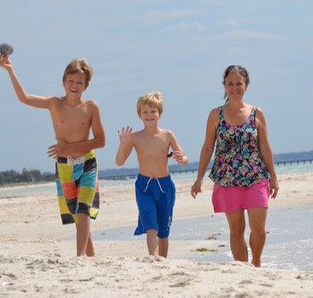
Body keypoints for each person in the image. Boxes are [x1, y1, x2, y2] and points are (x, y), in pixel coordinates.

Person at [0, 55, 105, 257]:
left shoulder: (91, 107)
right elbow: (24, 97)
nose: (74, 85)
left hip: (88, 163)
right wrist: (10, 70)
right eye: (71, 81)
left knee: (83, 211)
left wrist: (68, 147)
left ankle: (79, 258)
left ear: (86, 86)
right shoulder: (54, 103)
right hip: (64, 166)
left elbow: (100, 141)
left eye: (79, 83)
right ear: (63, 82)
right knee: (77, 216)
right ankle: (91, 258)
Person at [191, 65, 279, 267]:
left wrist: (273, 176)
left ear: (246, 85)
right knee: (237, 228)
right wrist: (199, 178)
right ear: (224, 86)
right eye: (230, 83)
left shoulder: (258, 114)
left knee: (259, 227)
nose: (234, 87)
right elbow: (207, 148)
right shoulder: (216, 115)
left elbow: (265, 147)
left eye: (239, 83)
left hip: (256, 176)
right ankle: (242, 268)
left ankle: (256, 263)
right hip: (227, 179)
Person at [115, 92, 188, 257]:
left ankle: (163, 260)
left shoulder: (168, 135)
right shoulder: (135, 137)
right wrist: (123, 145)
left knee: (163, 231)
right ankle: (153, 259)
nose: (149, 115)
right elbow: (119, 162)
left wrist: (181, 158)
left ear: (159, 113)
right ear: (139, 115)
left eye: (153, 111)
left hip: (165, 186)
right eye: (145, 112)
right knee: (151, 226)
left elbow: (184, 158)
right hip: (144, 187)